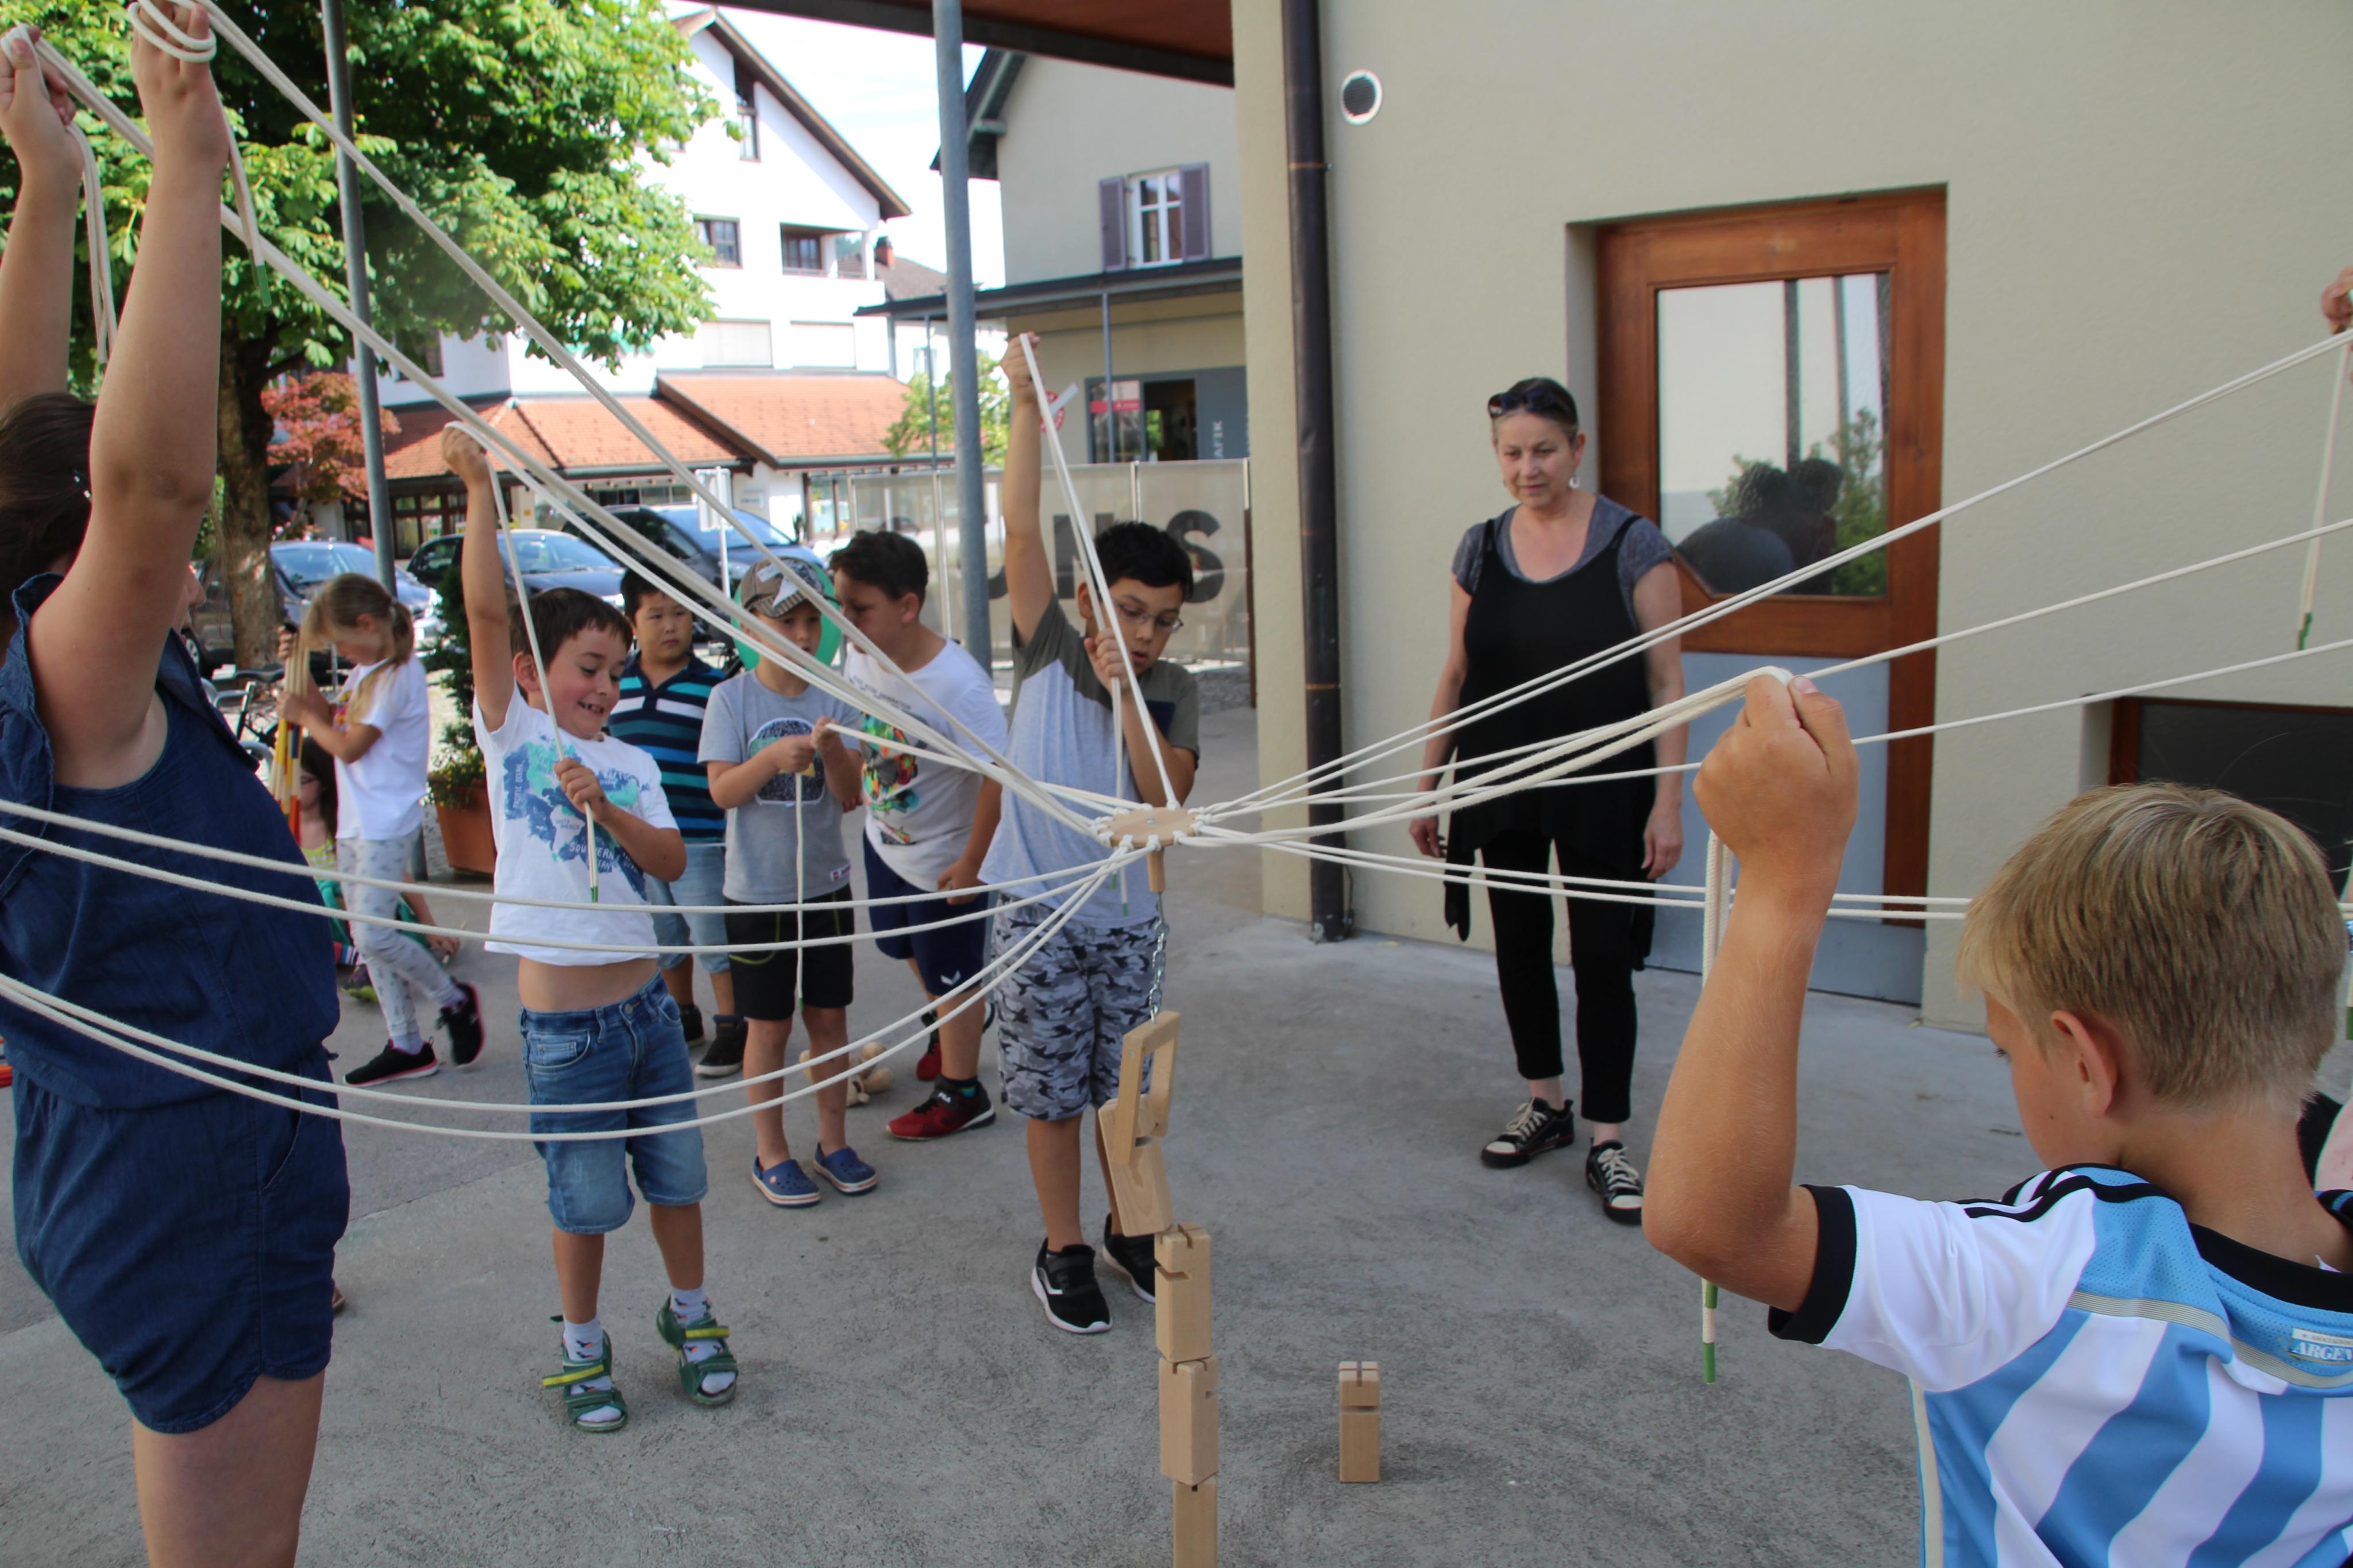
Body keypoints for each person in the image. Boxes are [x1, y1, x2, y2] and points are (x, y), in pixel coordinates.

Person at [1648, 674, 2353, 1565]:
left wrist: (1783, 881)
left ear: (2087, 1063)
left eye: (2006, 1051)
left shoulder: (2054, 1282)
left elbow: (1717, 1221)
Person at [0, 17, 349, 1564]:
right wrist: (187, 163)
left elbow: (32, 445)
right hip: (190, 1174)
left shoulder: (29, 652)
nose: (189, 570)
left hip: (119, 1155)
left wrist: (49, 188)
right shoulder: (74, 687)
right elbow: (147, 491)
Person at [449, 424, 740, 1432]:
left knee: (679, 1180)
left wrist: (607, 808)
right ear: (532, 673)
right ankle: (581, 1344)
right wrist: (478, 490)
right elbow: (485, 609)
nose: (604, 687)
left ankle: (692, 1315)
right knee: (583, 1200)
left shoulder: (631, 762)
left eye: (615, 672)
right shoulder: (514, 734)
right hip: (564, 1032)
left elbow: (669, 863)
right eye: (586, 667)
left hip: (649, 1015)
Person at [1407, 376, 1687, 1222]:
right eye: (1512, 453)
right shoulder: (1480, 549)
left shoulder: (1634, 545)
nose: (1527, 468)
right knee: (1520, 947)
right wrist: (1427, 786)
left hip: (1605, 788)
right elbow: (1457, 673)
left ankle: (1609, 1138)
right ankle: (1546, 1103)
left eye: (1544, 451)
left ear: (1577, 448)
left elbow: (1667, 682)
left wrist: (1667, 804)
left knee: (1603, 956)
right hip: (1500, 779)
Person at [989, 338, 1202, 1333]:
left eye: (1163, 620)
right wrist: (1024, 407)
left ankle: (1129, 1227)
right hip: (1037, 916)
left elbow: (1165, 798)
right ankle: (1063, 1244)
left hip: (1126, 925)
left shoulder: (1173, 690)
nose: (1146, 634)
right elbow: (1020, 527)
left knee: (1128, 1096)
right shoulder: (1045, 644)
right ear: (1087, 603)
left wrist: (1127, 695)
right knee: (1050, 1094)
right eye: (1129, 612)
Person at [830, 527, 1010, 1141]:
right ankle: (954, 1019)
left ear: (908, 606)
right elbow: (863, 732)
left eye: (859, 609)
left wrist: (974, 864)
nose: (846, 621)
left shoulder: (960, 685)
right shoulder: (860, 652)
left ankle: (963, 1093)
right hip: (884, 840)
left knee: (953, 977)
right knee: (903, 949)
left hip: (945, 859)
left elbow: (1001, 779)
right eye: (841, 605)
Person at [700, 557, 870, 1205]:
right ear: (751, 625)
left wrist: (830, 751)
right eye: (786, 622)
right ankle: (770, 1150)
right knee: (767, 1028)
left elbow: (850, 793)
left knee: (829, 1018)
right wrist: (771, 758)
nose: (802, 636)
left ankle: (834, 1141)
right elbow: (722, 791)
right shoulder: (731, 699)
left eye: (811, 623)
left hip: (825, 886)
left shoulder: (835, 695)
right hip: (756, 892)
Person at [281, 573, 483, 1084]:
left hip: (386, 824)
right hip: (356, 822)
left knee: (373, 932)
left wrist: (306, 717)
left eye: (339, 641)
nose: (340, 652)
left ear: (367, 625)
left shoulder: (398, 675)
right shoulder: (365, 673)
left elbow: (349, 747)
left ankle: (452, 999)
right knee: (367, 937)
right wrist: (299, 671)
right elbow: (332, 721)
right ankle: (407, 1043)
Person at [607, 569, 741, 1071]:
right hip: (638, 840)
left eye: (680, 614)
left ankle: (734, 1023)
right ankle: (681, 1015)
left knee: (712, 936)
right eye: (656, 615)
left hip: (700, 836)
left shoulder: (714, 687)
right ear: (632, 623)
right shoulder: (615, 686)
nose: (670, 626)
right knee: (663, 937)